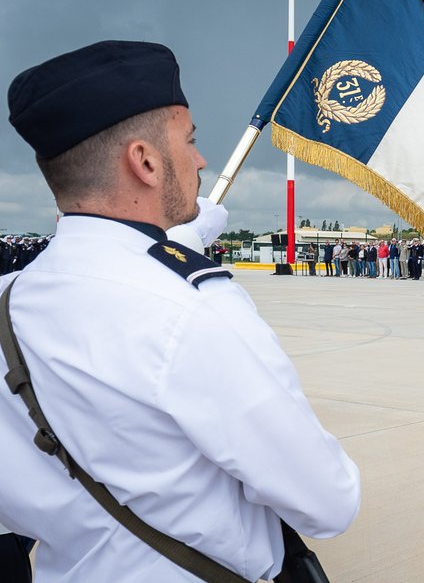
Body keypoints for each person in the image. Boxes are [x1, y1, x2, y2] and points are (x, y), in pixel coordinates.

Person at [0, 40, 360, 580]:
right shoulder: (193, 308)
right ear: (144, 160)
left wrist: (176, 238)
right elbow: (328, 502)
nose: (200, 160)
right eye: (188, 142)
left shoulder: (10, 298)